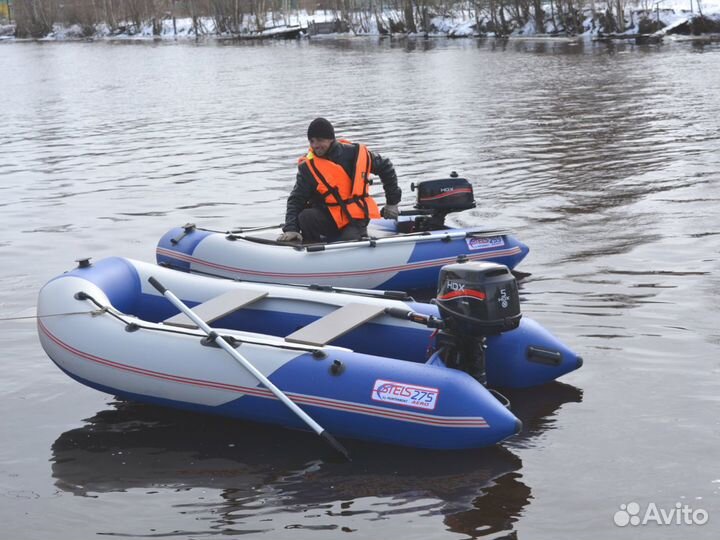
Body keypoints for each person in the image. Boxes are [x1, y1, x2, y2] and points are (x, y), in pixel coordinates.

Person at [277, 118, 402, 244]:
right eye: (312, 141)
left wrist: (392, 203)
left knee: (348, 242)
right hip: (330, 218)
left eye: (320, 140)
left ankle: (354, 243)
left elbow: (386, 166)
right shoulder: (308, 167)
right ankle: (311, 252)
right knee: (306, 216)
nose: (315, 145)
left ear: (331, 139)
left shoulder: (354, 154)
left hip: (356, 218)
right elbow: (296, 198)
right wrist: (291, 228)